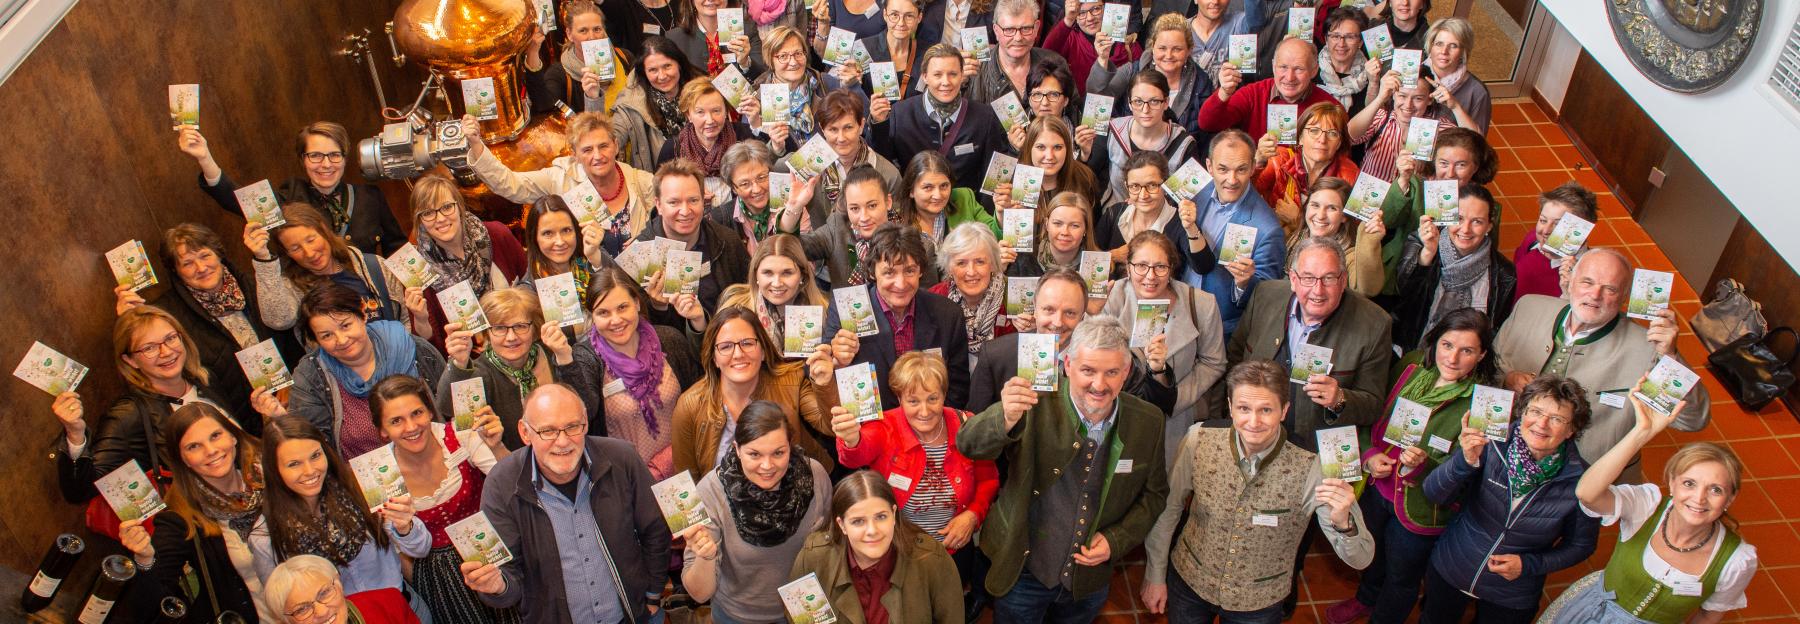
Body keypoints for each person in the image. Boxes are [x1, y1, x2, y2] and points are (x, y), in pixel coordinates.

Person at [957, 316, 1170, 623]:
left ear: (1126, 372)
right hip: (1022, 570)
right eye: (1088, 371)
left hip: (1088, 582)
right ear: (1067, 365)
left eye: (1111, 372)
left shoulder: (1148, 421)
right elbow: (968, 445)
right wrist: (1002, 417)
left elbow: (1155, 496)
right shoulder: (1033, 402)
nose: (1099, 384)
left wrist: (1116, 540)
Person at [1140, 360, 1373, 623]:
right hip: (1190, 583)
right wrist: (1155, 574)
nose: (1253, 421)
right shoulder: (1198, 439)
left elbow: (1361, 559)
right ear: (1230, 407)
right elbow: (1169, 509)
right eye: (1243, 408)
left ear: (1284, 410)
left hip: (1259, 603)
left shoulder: (1313, 466)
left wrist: (1344, 524)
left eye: (1266, 410)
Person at [1324, 308, 1497, 624]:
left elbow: (1469, 474)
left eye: (1467, 350)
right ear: (1435, 343)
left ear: (1482, 354)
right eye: (1447, 345)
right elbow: (1369, 413)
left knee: (1402, 576)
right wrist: (1369, 454)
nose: (1453, 358)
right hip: (1377, 490)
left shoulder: (1485, 405)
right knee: (1371, 553)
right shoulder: (1411, 368)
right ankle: (1366, 598)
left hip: (1421, 507)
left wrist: (1421, 465)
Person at [1494, 248, 1712, 483]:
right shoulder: (1529, 307)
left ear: (1625, 296)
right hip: (1502, 453)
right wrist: (1507, 378)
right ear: (1571, 281)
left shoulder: (1649, 349)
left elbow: (1692, 420)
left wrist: (1670, 357)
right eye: (1587, 282)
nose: (1595, 295)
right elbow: (1490, 367)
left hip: (1583, 480)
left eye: (1610, 289)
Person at [461, 385, 672, 624]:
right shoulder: (502, 484)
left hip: (632, 617)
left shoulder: (622, 459)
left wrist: (653, 595)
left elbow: (655, 528)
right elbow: (508, 576)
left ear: (585, 423)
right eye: (548, 431)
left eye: (572, 427)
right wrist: (498, 585)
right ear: (525, 432)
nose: (562, 442)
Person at [1543, 399, 1759, 623]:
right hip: (1588, 615)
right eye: (1689, 484)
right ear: (1672, 483)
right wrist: (1641, 432)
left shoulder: (1737, 560)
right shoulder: (1646, 507)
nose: (1699, 498)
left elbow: (1707, 616)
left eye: (1715, 489)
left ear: (1730, 498)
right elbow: (1587, 493)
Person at [1419, 375, 1600, 623]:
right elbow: (1433, 493)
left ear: (1572, 430)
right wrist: (1466, 460)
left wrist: (1528, 565)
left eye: (1557, 418)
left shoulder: (1583, 480)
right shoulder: (1490, 443)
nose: (1541, 424)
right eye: (1535, 411)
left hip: (1512, 592)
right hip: (1454, 563)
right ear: (1522, 412)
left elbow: (1581, 546)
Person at [51, 307, 268, 506]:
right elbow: (79, 491)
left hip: (259, 497)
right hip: (212, 521)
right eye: (149, 348)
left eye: (170, 338)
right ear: (130, 361)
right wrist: (75, 435)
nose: (166, 352)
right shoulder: (129, 414)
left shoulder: (205, 377)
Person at [367, 376, 518, 624]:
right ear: (383, 430)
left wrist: (497, 446)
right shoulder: (379, 473)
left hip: (492, 550)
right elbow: (418, 549)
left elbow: (512, 488)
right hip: (439, 576)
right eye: (396, 421)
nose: (411, 426)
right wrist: (404, 528)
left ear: (429, 411)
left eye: (417, 413)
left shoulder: (459, 436)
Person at [114, 223, 300, 421]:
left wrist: (289, 385)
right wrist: (129, 324)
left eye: (205, 256)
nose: (201, 268)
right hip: (232, 419)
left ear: (219, 254)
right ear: (176, 271)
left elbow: (290, 337)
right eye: (187, 263)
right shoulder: (166, 315)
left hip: (293, 401)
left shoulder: (256, 285)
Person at [1226, 237, 1393, 445]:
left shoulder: (1375, 324)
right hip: (1256, 437)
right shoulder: (1264, 295)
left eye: (1329, 278)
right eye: (1308, 278)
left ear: (1343, 281)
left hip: (1320, 449)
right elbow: (1234, 361)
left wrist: (1340, 399)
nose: (1318, 290)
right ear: (1293, 280)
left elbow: (1373, 405)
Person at [832, 352, 999, 556]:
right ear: (899, 398)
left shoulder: (967, 425)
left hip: (954, 551)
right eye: (913, 401)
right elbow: (856, 454)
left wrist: (972, 516)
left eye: (932, 399)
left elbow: (988, 480)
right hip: (900, 552)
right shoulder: (885, 426)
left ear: (944, 395)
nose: (924, 411)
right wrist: (850, 438)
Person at [115, 403, 270, 623]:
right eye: (194, 446)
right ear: (182, 459)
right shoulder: (180, 518)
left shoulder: (271, 477)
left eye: (216, 436)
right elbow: (149, 607)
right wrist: (144, 559)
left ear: (233, 436)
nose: (211, 451)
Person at [683, 401, 835, 623]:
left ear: (790, 446)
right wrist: (706, 556)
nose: (767, 466)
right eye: (754, 454)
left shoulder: (815, 476)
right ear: (736, 449)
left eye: (778, 453)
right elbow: (699, 593)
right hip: (738, 617)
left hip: (806, 610)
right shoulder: (710, 491)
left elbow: (830, 548)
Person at [255, 416, 432, 602]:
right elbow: (283, 604)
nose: (310, 471)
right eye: (294, 464)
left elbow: (421, 548)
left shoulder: (360, 485)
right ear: (274, 469)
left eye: (315, 456)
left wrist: (405, 528)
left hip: (403, 608)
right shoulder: (265, 535)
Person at [966, 268, 1175, 413]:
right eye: (1049, 310)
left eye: (1070, 313)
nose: (1057, 322)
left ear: (1083, 315)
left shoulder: (1108, 357)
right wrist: (1003, 414)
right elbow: (974, 429)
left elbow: (1151, 409)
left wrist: (1158, 371)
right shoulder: (996, 355)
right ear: (1035, 308)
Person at [1100, 231, 1228, 466]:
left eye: (1160, 267)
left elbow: (1214, 361)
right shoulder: (1112, 297)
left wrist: (1177, 398)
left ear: (1172, 269)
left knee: (1168, 488)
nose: (1150, 276)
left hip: (1175, 420)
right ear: (1128, 268)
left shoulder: (1201, 303)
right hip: (1120, 415)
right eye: (1141, 266)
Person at [180, 122, 405, 255]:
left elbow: (397, 248)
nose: (326, 164)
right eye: (315, 156)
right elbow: (234, 199)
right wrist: (204, 157)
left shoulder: (369, 197)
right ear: (302, 160)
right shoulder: (289, 199)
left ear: (345, 159)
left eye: (334, 155)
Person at [671, 306, 843, 477]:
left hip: (795, 493)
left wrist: (824, 384)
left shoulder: (792, 382)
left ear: (762, 351)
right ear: (714, 358)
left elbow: (832, 427)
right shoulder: (690, 405)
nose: (738, 354)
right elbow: (686, 478)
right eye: (725, 347)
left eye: (747, 343)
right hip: (723, 502)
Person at [467, 111, 656, 259]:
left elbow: (673, 223)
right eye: (587, 150)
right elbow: (509, 184)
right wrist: (476, 144)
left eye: (603, 146)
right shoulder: (559, 179)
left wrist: (650, 243)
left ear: (615, 145)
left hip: (635, 285)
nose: (597, 156)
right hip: (585, 287)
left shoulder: (641, 181)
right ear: (574, 154)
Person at [288, 283, 447, 458]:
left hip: (437, 462)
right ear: (316, 341)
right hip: (366, 480)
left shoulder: (412, 348)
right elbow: (312, 445)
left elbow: (450, 407)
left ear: (363, 315)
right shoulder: (311, 375)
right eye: (327, 335)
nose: (341, 340)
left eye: (345, 325)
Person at [436, 285, 605, 450]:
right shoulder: (479, 371)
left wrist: (565, 359)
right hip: (516, 466)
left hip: (569, 451)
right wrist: (458, 363)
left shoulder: (552, 351)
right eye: (500, 328)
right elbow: (447, 408)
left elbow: (588, 411)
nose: (511, 337)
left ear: (534, 327)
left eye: (520, 326)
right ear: (487, 332)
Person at [824, 223, 972, 410]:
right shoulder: (846, 306)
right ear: (872, 271)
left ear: (921, 271)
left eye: (909, 271)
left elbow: (958, 388)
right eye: (889, 272)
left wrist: (929, 425)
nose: (901, 284)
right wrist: (836, 362)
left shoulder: (948, 314)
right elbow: (818, 373)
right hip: (872, 429)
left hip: (929, 426)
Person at [788, 471, 968, 623]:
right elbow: (803, 618)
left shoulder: (931, 559)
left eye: (881, 517)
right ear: (841, 525)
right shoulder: (813, 558)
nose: (872, 531)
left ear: (894, 514)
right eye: (858, 521)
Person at [583, 267, 705, 478]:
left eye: (623, 307)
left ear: (637, 304)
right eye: (603, 312)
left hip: (682, 472)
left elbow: (700, 400)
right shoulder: (588, 360)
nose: (616, 320)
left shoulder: (669, 340)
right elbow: (585, 420)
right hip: (627, 481)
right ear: (592, 316)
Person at [1163, 130, 1284, 336]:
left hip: (1220, 329)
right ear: (1209, 166)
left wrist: (1244, 282)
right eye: (1223, 169)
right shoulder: (1193, 189)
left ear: (1253, 166)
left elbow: (1267, 297)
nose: (1232, 179)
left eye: (1241, 169)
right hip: (1175, 311)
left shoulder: (1268, 228)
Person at [252, 202, 425, 337]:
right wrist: (263, 260)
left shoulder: (374, 266)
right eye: (295, 248)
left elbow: (405, 318)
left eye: (311, 240)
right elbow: (279, 320)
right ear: (287, 254)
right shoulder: (294, 289)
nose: (309, 253)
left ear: (324, 231)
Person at [1375, 127, 1499, 299]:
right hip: (1402, 277)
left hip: (1453, 285)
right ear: (1434, 163)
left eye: (1461, 165)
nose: (1450, 173)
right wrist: (1403, 180)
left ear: (1475, 167)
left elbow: (1487, 251)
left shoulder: (1486, 206)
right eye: (1443, 163)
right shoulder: (1416, 186)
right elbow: (1386, 220)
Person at [407, 174, 529, 346]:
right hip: (472, 361)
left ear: (460, 206)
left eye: (447, 207)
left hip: (519, 343)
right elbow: (429, 345)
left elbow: (531, 286)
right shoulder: (419, 270)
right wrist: (420, 318)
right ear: (419, 220)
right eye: (428, 213)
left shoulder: (497, 235)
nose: (440, 218)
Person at [872, 44, 1011, 193]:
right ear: (925, 76)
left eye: (953, 74)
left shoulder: (985, 117)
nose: (946, 82)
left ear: (962, 74)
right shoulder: (900, 113)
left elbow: (992, 177)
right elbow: (882, 163)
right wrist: (879, 123)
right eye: (937, 75)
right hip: (914, 209)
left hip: (965, 211)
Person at [1393, 183, 1516, 351]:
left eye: (1477, 222)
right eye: (1459, 218)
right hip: (1413, 350)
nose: (1465, 229)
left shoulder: (1505, 274)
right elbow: (1402, 298)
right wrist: (1427, 254)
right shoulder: (1421, 241)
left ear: (1489, 226)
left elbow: (1496, 331)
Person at [634, 158, 753, 314]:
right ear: (658, 205)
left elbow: (749, 298)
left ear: (704, 201)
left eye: (693, 200)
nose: (685, 211)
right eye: (674, 202)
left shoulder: (727, 241)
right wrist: (658, 307)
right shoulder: (640, 255)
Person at [778, 89, 902, 229]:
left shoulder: (888, 174)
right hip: (820, 247)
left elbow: (896, 230)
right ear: (822, 129)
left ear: (861, 126)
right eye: (833, 129)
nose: (841, 138)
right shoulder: (808, 161)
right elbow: (776, 168)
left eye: (848, 128)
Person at [1252, 102, 1361, 237]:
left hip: (1322, 248)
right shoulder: (1277, 158)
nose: (1322, 140)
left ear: (1339, 143)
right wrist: (1257, 163)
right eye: (1314, 131)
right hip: (1273, 241)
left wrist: (1298, 220)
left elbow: (1353, 233)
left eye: (1332, 133)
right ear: (1300, 137)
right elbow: (1242, 196)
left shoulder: (1352, 175)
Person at [1198, 38, 1342, 139]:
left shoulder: (1328, 105)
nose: (1290, 77)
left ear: (1314, 70)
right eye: (1283, 67)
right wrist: (1224, 92)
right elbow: (1207, 123)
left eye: (1299, 69)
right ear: (1273, 66)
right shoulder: (1253, 93)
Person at [1345, 71, 1473, 183]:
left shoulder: (1439, 128)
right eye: (1402, 96)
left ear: (1429, 100)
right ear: (1394, 94)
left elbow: (1475, 146)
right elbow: (1349, 136)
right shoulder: (1381, 117)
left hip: (1414, 203)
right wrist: (1380, 98)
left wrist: (1455, 107)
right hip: (1370, 199)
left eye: (1418, 98)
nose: (1408, 105)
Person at [1092, 70, 1198, 204]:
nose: (1145, 109)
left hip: (1160, 221)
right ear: (1129, 104)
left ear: (1166, 103)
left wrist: (1145, 205)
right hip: (1115, 216)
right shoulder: (1112, 131)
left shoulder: (1184, 144)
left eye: (1154, 101)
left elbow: (1184, 198)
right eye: (1138, 101)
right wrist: (1084, 152)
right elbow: (1089, 175)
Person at [1089, 14, 1206, 135]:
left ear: (1189, 50)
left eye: (1177, 49)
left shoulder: (1201, 82)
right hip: (1131, 150)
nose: (1169, 55)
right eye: (1162, 48)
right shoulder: (1131, 72)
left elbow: (1205, 133)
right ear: (1152, 47)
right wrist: (1103, 59)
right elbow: (1095, 100)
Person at [655, 79, 760, 206]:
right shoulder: (674, 148)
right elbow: (662, 195)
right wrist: (690, 197)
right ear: (688, 115)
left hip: (737, 218)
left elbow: (765, 170)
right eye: (700, 112)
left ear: (726, 111)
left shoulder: (742, 135)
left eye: (716, 111)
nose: (710, 120)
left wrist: (757, 124)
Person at [795, 165, 902, 287]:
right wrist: (795, 208)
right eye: (854, 208)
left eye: (872, 206)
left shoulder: (910, 241)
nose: (864, 217)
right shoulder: (838, 229)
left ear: (888, 202)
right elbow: (794, 248)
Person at [718, 234, 833, 347]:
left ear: (802, 276)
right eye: (768, 273)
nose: (777, 283)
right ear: (755, 275)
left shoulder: (826, 313)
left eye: (787, 273)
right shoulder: (734, 309)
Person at [928, 223, 1016, 367]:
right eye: (961, 263)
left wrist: (1029, 331)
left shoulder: (1012, 297)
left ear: (993, 264)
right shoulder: (933, 300)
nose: (971, 271)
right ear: (949, 268)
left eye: (980, 262)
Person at [520, 1, 630, 117]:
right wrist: (533, 51)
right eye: (583, 31)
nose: (592, 37)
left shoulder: (624, 57)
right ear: (569, 34)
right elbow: (543, 105)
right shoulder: (560, 73)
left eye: (597, 29)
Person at [1286, 177, 1386, 297]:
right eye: (1315, 205)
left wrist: (1369, 239)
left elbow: (1368, 289)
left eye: (1332, 208)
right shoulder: (1296, 237)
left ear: (1344, 216)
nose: (1321, 215)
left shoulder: (1349, 256)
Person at [713, 141, 814, 256]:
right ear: (734, 188)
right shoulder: (720, 219)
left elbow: (805, 258)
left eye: (761, 178)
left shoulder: (792, 205)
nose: (757, 189)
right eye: (745, 184)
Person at [740, 26, 831, 151]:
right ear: (770, 61)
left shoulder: (825, 83)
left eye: (798, 53)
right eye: (783, 56)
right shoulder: (756, 98)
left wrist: (853, 84)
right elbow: (754, 156)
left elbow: (860, 125)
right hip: (783, 169)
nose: (793, 62)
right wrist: (758, 126)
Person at [967, 0, 1071, 104]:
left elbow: (1073, 113)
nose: (1018, 38)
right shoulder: (973, 71)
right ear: (996, 30)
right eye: (1009, 30)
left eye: (1025, 29)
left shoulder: (1056, 63)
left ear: (1036, 28)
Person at [616, 36, 707, 155]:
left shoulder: (705, 88)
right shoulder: (630, 103)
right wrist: (594, 98)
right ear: (644, 72)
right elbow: (611, 140)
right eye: (653, 70)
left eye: (667, 66)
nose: (662, 76)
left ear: (678, 64)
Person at [267, 554, 421, 624]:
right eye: (302, 609)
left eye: (324, 592)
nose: (321, 612)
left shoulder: (388, 602)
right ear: (286, 621)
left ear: (339, 583)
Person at [895, 151, 1003, 250]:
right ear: (911, 191)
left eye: (944, 186)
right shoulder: (896, 221)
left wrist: (1000, 213)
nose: (937, 195)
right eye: (928, 187)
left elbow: (994, 238)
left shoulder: (963, 198)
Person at [1513, 182, 1598, 303]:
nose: (1545, 231)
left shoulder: (1590, 271)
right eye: (1543, 220)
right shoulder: (1531, 240)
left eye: (1558, 224)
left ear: (1580, 230)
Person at [996, 117, 1102, 210]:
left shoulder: (1085, 178)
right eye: (1041, 147)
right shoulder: (1012, 181)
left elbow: (1094, 227)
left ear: (1068, 148)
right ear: (1029, 148)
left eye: (1057, 147)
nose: (1050, 156)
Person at [1003, 192, 1103, 284]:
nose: (1065, 232)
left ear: (1086, 229)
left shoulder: (1098, 267)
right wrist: (999, 271)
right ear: (1047, 225)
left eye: (1074, 226)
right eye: (1057, 223)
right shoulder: (1020, 261)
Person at [1094, 151, 1178, 261]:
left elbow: (1200, 266)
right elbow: (1089, 265)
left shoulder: (1179, 222)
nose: (1143, 195)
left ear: (1165, 183)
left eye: (1152, 185)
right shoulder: (1114, 213)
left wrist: (1191, 228)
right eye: (1135, 186)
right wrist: (1114, 255)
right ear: (1126, 185)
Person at [1044, 0, 1142, 93]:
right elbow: (1045, 56)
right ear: (1076, 18)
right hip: (1080, 106)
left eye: (1096, 9)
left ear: (1107, 9)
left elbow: (1143, 78)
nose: (1090, 18)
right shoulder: (1070, 38)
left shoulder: (1127, 43)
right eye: (1081, 13)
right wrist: (1068, 20)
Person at [1423, 17, 1491, 131]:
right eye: (1439, 44)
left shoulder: (1477, 91)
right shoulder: (1414, 74)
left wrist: (1455, 107)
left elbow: (1479, 142)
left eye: (1453, 46)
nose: (1444, 51)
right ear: (1430, 46)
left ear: (1463, 52)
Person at [851, 0, 929, 97]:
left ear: (919, 17)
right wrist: (849, 84)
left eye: (909, 16)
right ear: (885, 15)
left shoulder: (928, 56)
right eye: (894, 15)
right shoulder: (862, 49)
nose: (901, 23)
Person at [665, 0, 762, 76]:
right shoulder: (674, 38)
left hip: (738, 100)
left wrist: (745, 63)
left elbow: (762, 74)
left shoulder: (747, 31)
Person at [1316, 8, 1379, 117]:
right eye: (1335, 36)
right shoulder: (1311, 71)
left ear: (1360, 42)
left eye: (1349, 37)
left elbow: (1375, 119)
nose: (1341, 44)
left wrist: (1373, 83)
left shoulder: (1371, 74)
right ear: (1326, 39)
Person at [918, 0, 993, 52]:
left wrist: (989, 49)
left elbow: (998, 44)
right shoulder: (927, 4)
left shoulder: (992, 6)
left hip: (973, 69)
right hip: (933, 67)